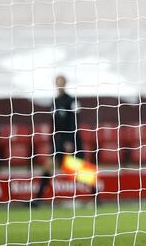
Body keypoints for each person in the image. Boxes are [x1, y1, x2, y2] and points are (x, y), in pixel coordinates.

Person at [32, 74, 97, 206]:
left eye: (62, 82)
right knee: (48, 166)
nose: (59, 84)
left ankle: (96, 199)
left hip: (72, 139)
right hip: (59, 140)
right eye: (58, 82)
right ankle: (37, 200)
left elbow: (74, 121)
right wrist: (52, 140)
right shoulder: (54, 101)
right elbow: (53, 123)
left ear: (65, 83)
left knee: (83, 171)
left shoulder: (71, 100)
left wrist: (70, 140)